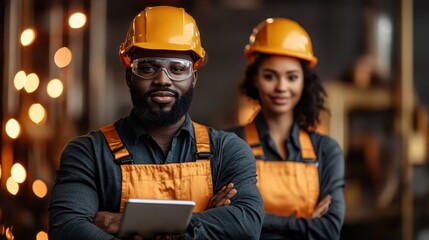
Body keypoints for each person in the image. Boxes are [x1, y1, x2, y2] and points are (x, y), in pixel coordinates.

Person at [48, 6, 263, 240]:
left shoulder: (228, 151)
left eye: (177, 69)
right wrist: (205, 220)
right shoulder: (88, 153)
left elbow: (246, 223)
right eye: (148, 67)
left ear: (194, 78)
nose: (163, 80)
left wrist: (125, 223)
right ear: (129, 75)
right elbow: (66, 229)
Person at [225, 18, 345, 239]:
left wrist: (257, 218)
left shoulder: (326, 151)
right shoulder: (230, 144)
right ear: (255, 79)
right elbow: (230, 223)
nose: (282, 87)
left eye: (292, 77)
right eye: (270, 76)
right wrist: (306, 224)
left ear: (303, 82)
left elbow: (328, 230)